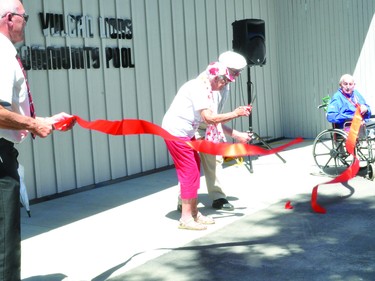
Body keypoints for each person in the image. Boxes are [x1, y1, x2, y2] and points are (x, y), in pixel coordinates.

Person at [0, 1, 75, 279]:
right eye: (24, 16)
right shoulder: (2, 53)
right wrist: (33, 123)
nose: (26, 21)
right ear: (9, 18)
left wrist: (43, 121)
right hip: (0, 158)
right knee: (5, 243)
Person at [162, 61, 251, 230]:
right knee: (189, 172)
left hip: (186, 132)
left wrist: (236, 130)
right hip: (176, 132)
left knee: (194, 169)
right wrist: (235, 113)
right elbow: (209, 119)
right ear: (215, 77)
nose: (225, 84)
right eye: (224, 80)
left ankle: (194, 213)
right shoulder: (199, 88)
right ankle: (186, 218)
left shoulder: (208, 89)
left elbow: (213, 122)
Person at [177, 51, 250, 212]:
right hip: (191, 127)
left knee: (215, 160)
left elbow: (215, 117)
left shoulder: (225, 84)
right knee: (190, 165)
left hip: (206, 125)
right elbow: (210, 118)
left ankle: (218, 197)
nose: (237, 76)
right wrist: (236, 133)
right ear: (222, 70)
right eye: (235, 72)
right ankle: (184, 201)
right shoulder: (204, 84)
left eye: (239, 73)